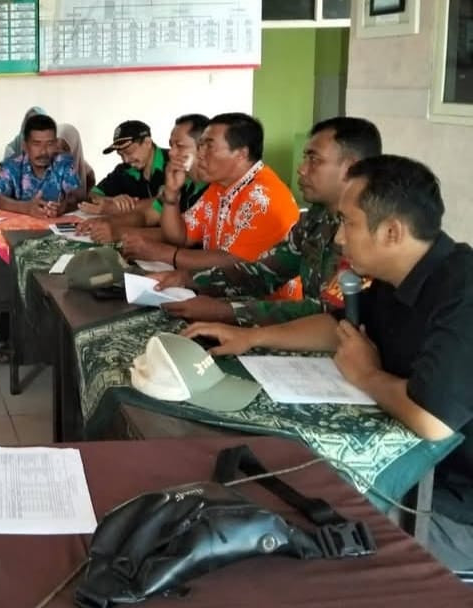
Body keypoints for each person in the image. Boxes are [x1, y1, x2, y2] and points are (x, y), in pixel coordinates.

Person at [182, 155, 473, 573]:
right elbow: (338, 327)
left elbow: (432, 420)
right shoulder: (399, 275)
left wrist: (367, 375)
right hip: (416, 472)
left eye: (348, 223)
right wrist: (252, 337)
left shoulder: (462, 292)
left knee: (301, 543)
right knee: (269, 486)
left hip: (449, 501)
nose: (338, 238)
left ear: (391, 231)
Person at [153, 117, 383, 325]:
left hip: (329, 341)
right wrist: (188, 279)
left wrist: (228, 312)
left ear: (350, 167)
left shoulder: (372, 231)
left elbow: (329, 313)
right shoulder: (316, 218)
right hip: (293, 326)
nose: (301, 169)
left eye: (314, 160)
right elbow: (265, 272)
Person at [121, 113, 301, 301]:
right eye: (200, 146)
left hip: (269, 307)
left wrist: (162, 253)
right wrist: (172, 196)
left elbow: (232, 262)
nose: (199, 154)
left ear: (241, 154)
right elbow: (181, 236)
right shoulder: (220, 187)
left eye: (209, 147)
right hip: (228, 296)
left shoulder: (262, 196)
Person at [78, 114, 210, 244]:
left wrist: (119, 232)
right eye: (171, 146)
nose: (171, 152)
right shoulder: (182, 179)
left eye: (180, 146)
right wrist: (107, 221)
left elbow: (182, 236)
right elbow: (147, 215)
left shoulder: (210, 187)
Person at [0, 114, 81, 219]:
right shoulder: (12, 166)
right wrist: (26, 208)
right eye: (36, 144)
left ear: (56, 144)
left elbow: (76, 197)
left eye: (49, 144)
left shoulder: (63, 163)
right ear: (25, 146)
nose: (43, 152)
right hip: (19, 226)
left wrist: (63, 208)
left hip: (53, 225)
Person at [83, 120, 166, 215]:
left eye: (129, 152)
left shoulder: (175, 161)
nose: (126, 160)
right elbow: (92, 195)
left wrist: (115, 208)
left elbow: (168, 202)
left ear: (147, 142)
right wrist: (112, 200)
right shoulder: (123, 171)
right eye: (121, 155)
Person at [56, 123, 95, 194]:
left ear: (75, 149)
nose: (59, 153)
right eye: (56, 148)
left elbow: (90, 197)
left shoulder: (87, 174)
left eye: (64, 149)